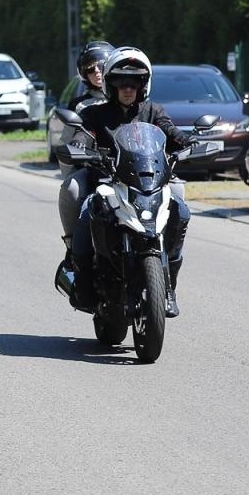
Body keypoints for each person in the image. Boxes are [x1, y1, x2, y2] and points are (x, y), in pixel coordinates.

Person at [70, 47, 192, 318]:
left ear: (143, 84)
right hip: (109, 184)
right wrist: (79, 144)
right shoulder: (95, 114)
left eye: (134, 82)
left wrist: (188, 141)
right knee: (88, 210)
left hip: (149, 183)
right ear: (110, 85)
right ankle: (83, 282)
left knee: (181, 210)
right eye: (121, 82)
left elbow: (171, 132)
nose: (128, 88)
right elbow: (84, 134)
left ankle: (169, 288)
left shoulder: (154, 111)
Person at [57, 40, 115, 263]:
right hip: (95, 169)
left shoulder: (133, 98)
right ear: (84, 74)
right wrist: (74, 167)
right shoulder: (80, 106)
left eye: (102, 66)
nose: (97, 72)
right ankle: (73, 247)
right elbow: (68, 144)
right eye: (91, 69)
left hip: (130, 168)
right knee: (72, 187)